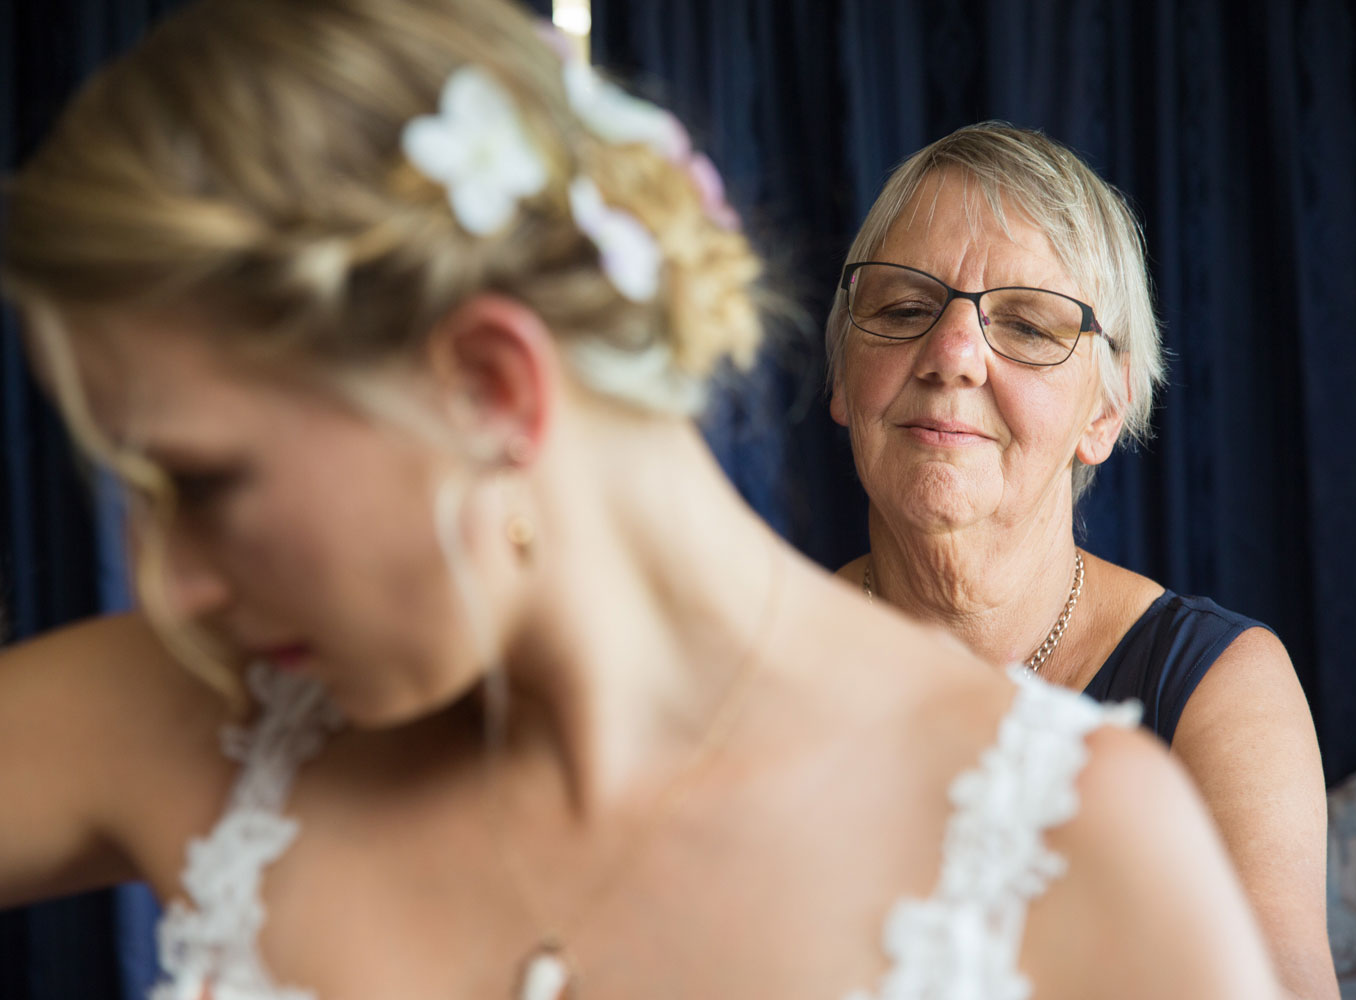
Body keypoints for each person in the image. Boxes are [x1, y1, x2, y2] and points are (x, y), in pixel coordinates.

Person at [0, 1, 1279, 997]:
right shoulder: (210, 707)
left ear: (494, 388)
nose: (168, 585)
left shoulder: (1090, 847)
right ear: (841, 364)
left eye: (209, 482)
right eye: (904, 308)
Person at [825, 122, 1338, 999]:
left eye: (1025, 324)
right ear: (842, 373)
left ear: (1105, 411)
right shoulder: (746, 663)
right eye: (906, 309)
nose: (952, 356)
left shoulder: (1221, 691)